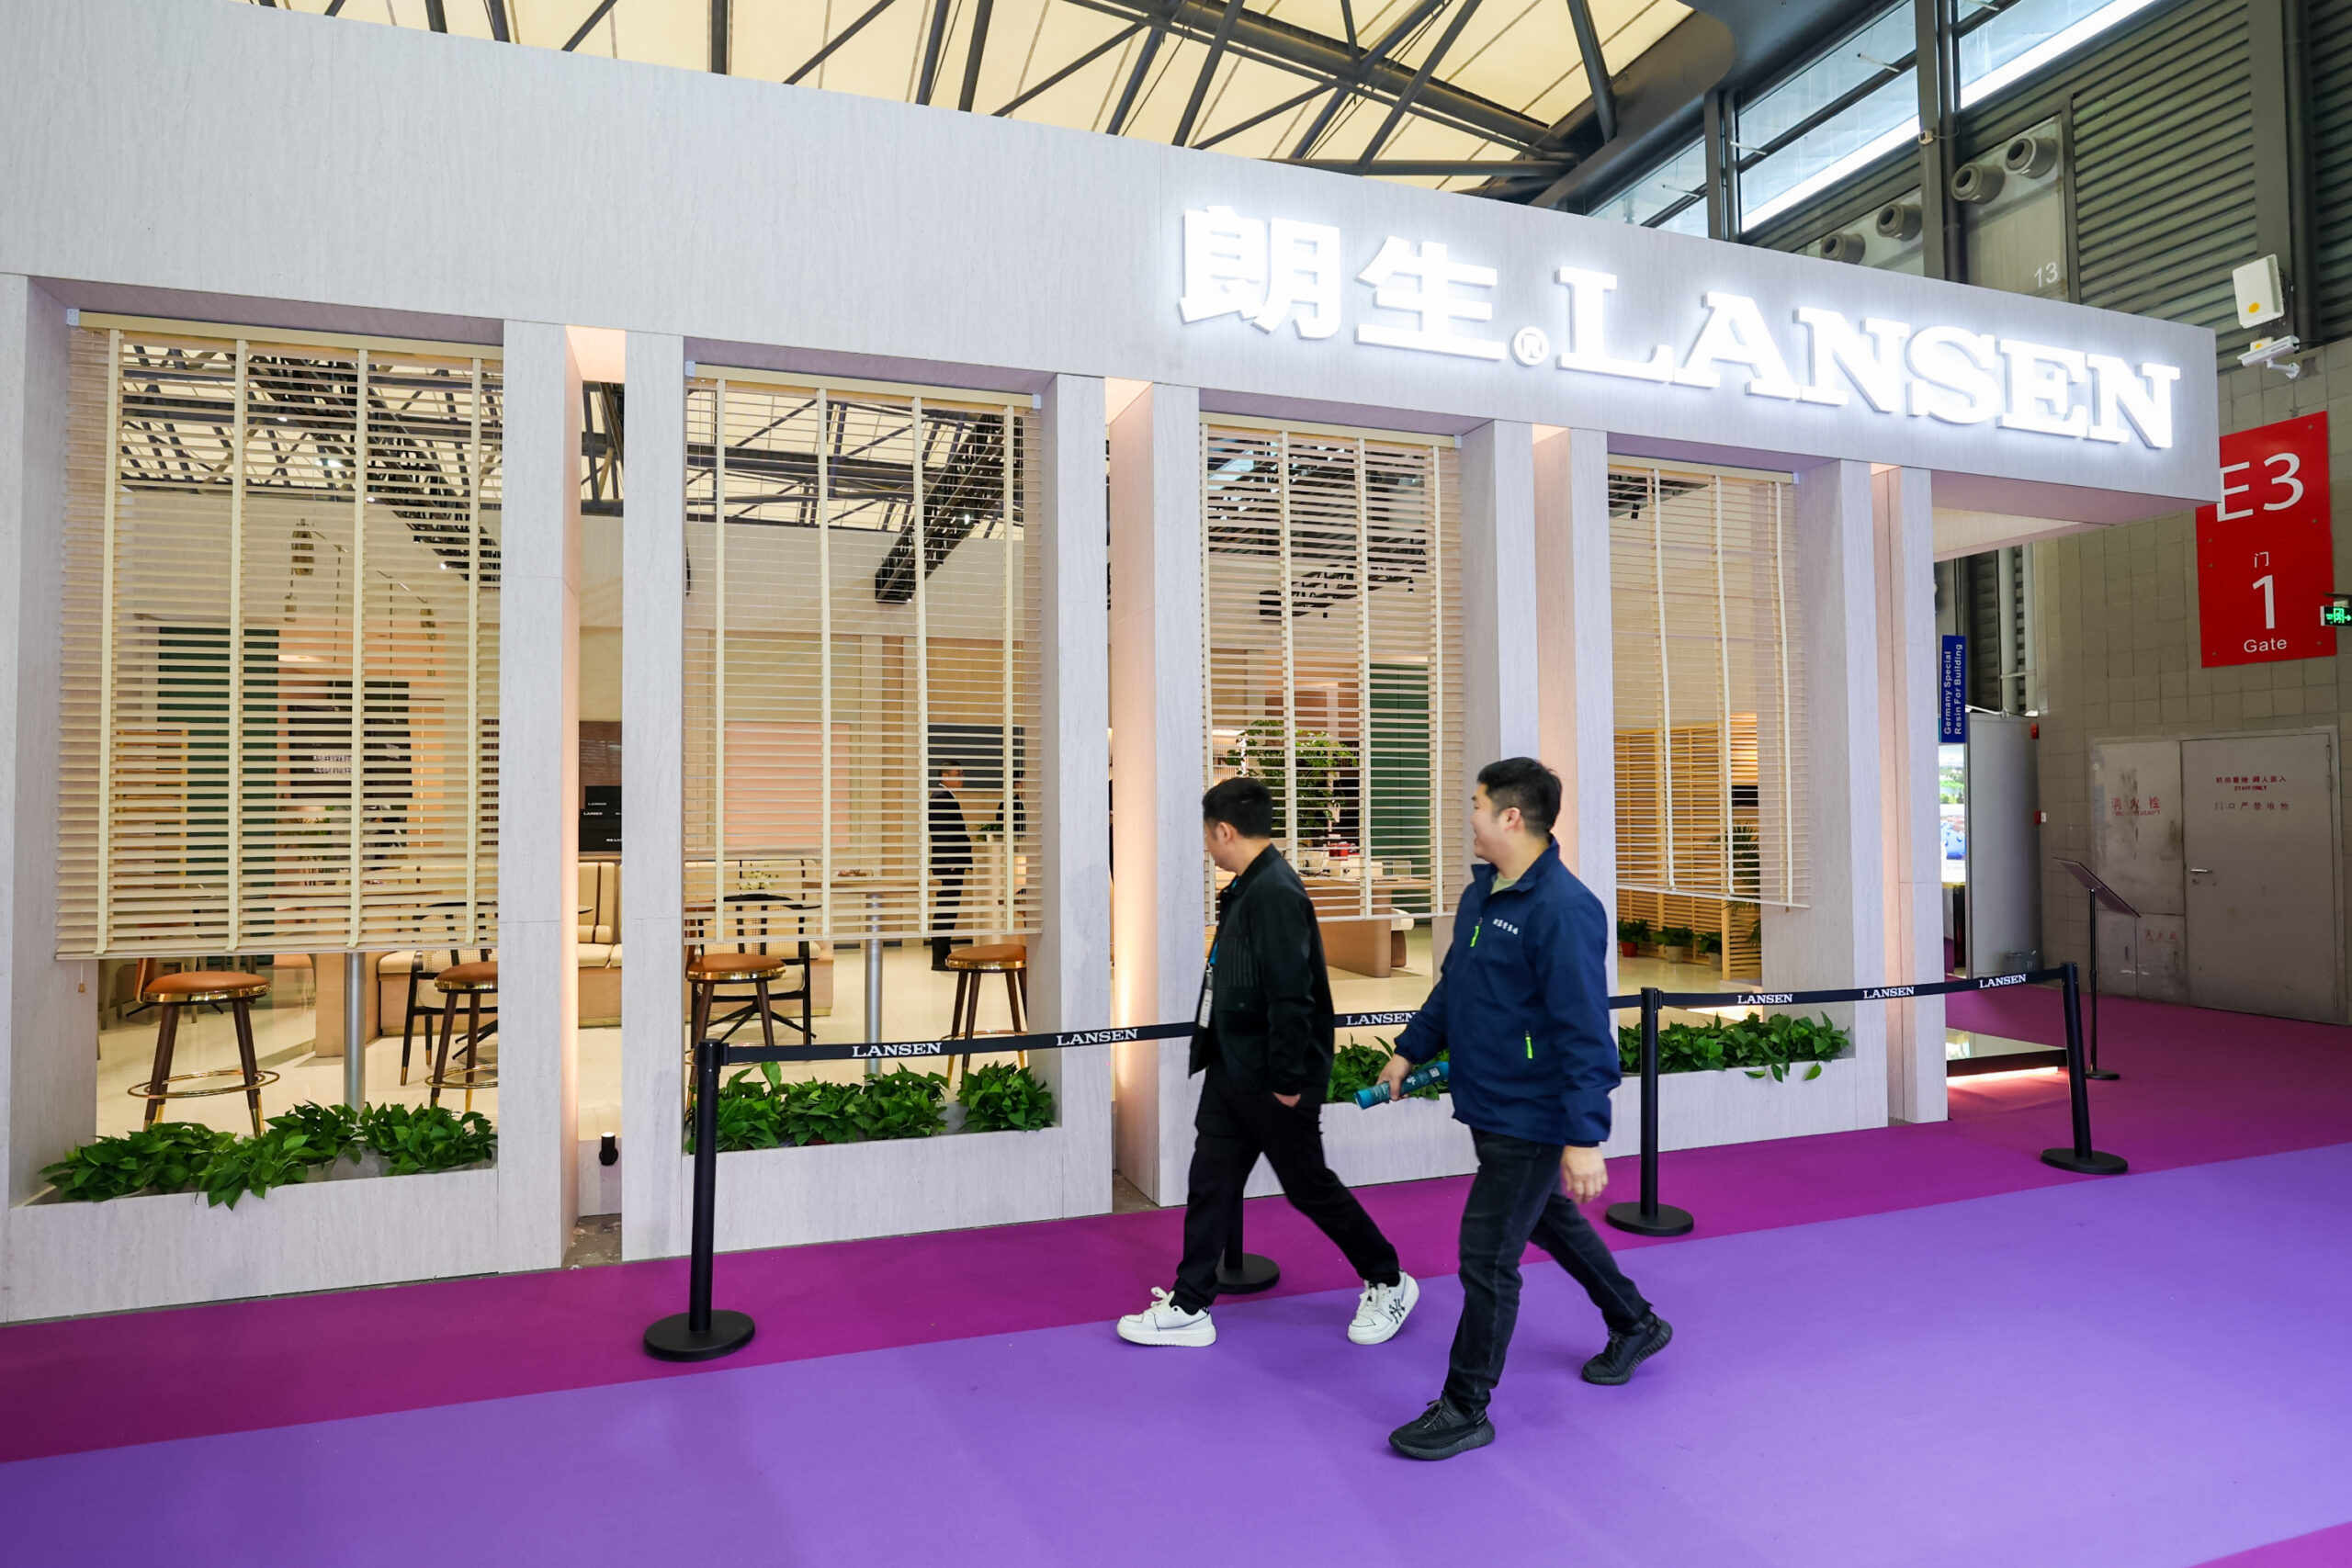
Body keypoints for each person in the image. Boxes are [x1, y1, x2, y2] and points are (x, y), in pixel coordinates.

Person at [1376, 757, 1670, 1461]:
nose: (1469, 817)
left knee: (1486, 1255)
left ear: (1511, 815)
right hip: (1489, 1103)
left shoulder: (1563, 909)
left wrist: (1583, 1135)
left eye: (1477, 805)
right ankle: (1635, 1320)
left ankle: (1464, 1406)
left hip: (1533, 1115)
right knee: (1544, 1218)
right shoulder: (1482, 893)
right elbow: (1454, 985)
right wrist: (1409, 1050)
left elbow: (1584, 1030)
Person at [1116, 776, 1419, 1349]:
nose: (1208, 846)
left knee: (1309, 1187)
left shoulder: (1275, 892)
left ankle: (1388, 1279)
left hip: (1274, 1079)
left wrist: (1286, 1079)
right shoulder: (1248, 886)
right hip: (1232, 1068)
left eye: (1208, 835)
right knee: (1211, 1181)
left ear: (1225, 831)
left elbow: (1291, 995)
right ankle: (1190, 1303)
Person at [929, 766, 971, 970]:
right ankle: (940, 958)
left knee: (949, 909)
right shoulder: (940, 797)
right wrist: (951, 860)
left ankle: (944, 954)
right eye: (957, 774)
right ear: (944, 776)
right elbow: (941, 832)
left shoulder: (946, 796)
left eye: (963, 774)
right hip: (948, 864)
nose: (962, 778)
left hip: (951, 862)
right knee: (946, 909)